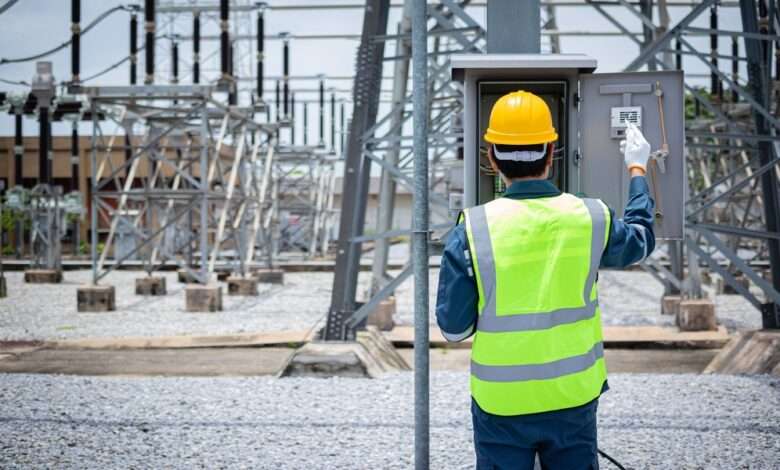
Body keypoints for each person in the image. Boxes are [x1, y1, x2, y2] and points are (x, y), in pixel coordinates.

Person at [435, 90, 656, 469]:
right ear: (552, 153)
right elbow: (640, 239)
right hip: (572, 395)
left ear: (491, 157)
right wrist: (637, 170)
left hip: (501, 401)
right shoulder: (591, 217)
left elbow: (453, 329)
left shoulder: (472, 229)